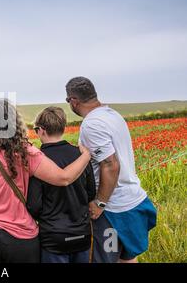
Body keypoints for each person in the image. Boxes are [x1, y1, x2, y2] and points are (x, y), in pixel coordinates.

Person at [0, 98, 91, 263]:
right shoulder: (27, 153)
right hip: (20, 236)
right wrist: (86, 155)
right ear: (15, 122)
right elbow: (64, 178)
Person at [65, 77, 157, 263]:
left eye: (68, 100)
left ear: (74, 101)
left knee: (106, 258)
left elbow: (110, 164)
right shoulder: (112, 115)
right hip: (133, 200)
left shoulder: (91, 124)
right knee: (127, 258)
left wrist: (100, 203)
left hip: (113, 212)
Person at [31, 107, 96, 263]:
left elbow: (34, 205)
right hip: (82, 234)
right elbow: (91, 193)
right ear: (63, 127)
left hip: (53, 238)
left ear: (41, 130)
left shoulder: (39, 161)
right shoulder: (81, 156)